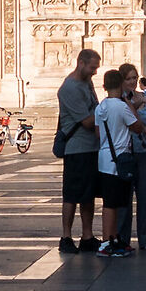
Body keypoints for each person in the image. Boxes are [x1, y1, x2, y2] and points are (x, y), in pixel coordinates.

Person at [56, 46, 102, 251]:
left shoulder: (86, 82)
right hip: (77, 148)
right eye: (92, 67)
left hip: (91, 146)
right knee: (72, 194)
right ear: (81, 63)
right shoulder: (70, 88)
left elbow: (96, 106)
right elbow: (86, 121)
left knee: (88, 194)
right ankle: (66, 237)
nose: (95, 72)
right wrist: (109, 112)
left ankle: (87, 235)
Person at [92, 67, 137, 256]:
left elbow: (97, 132)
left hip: (104, 160)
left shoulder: (100, 107)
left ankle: (113, 239)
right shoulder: (121, 106)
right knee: (113, 204)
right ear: (120, 84)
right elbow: (138, 126)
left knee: (112, 202)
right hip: (120, 159)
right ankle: (107, 242)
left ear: (104, 86)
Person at [122, 65, 146, 250]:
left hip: (144, 151)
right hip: (126, 152)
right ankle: (123, 239)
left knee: (145, 196)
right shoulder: (119, 100)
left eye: (134, 77)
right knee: (125, 198)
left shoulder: (144, 97)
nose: (132, 81)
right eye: (128, 78)